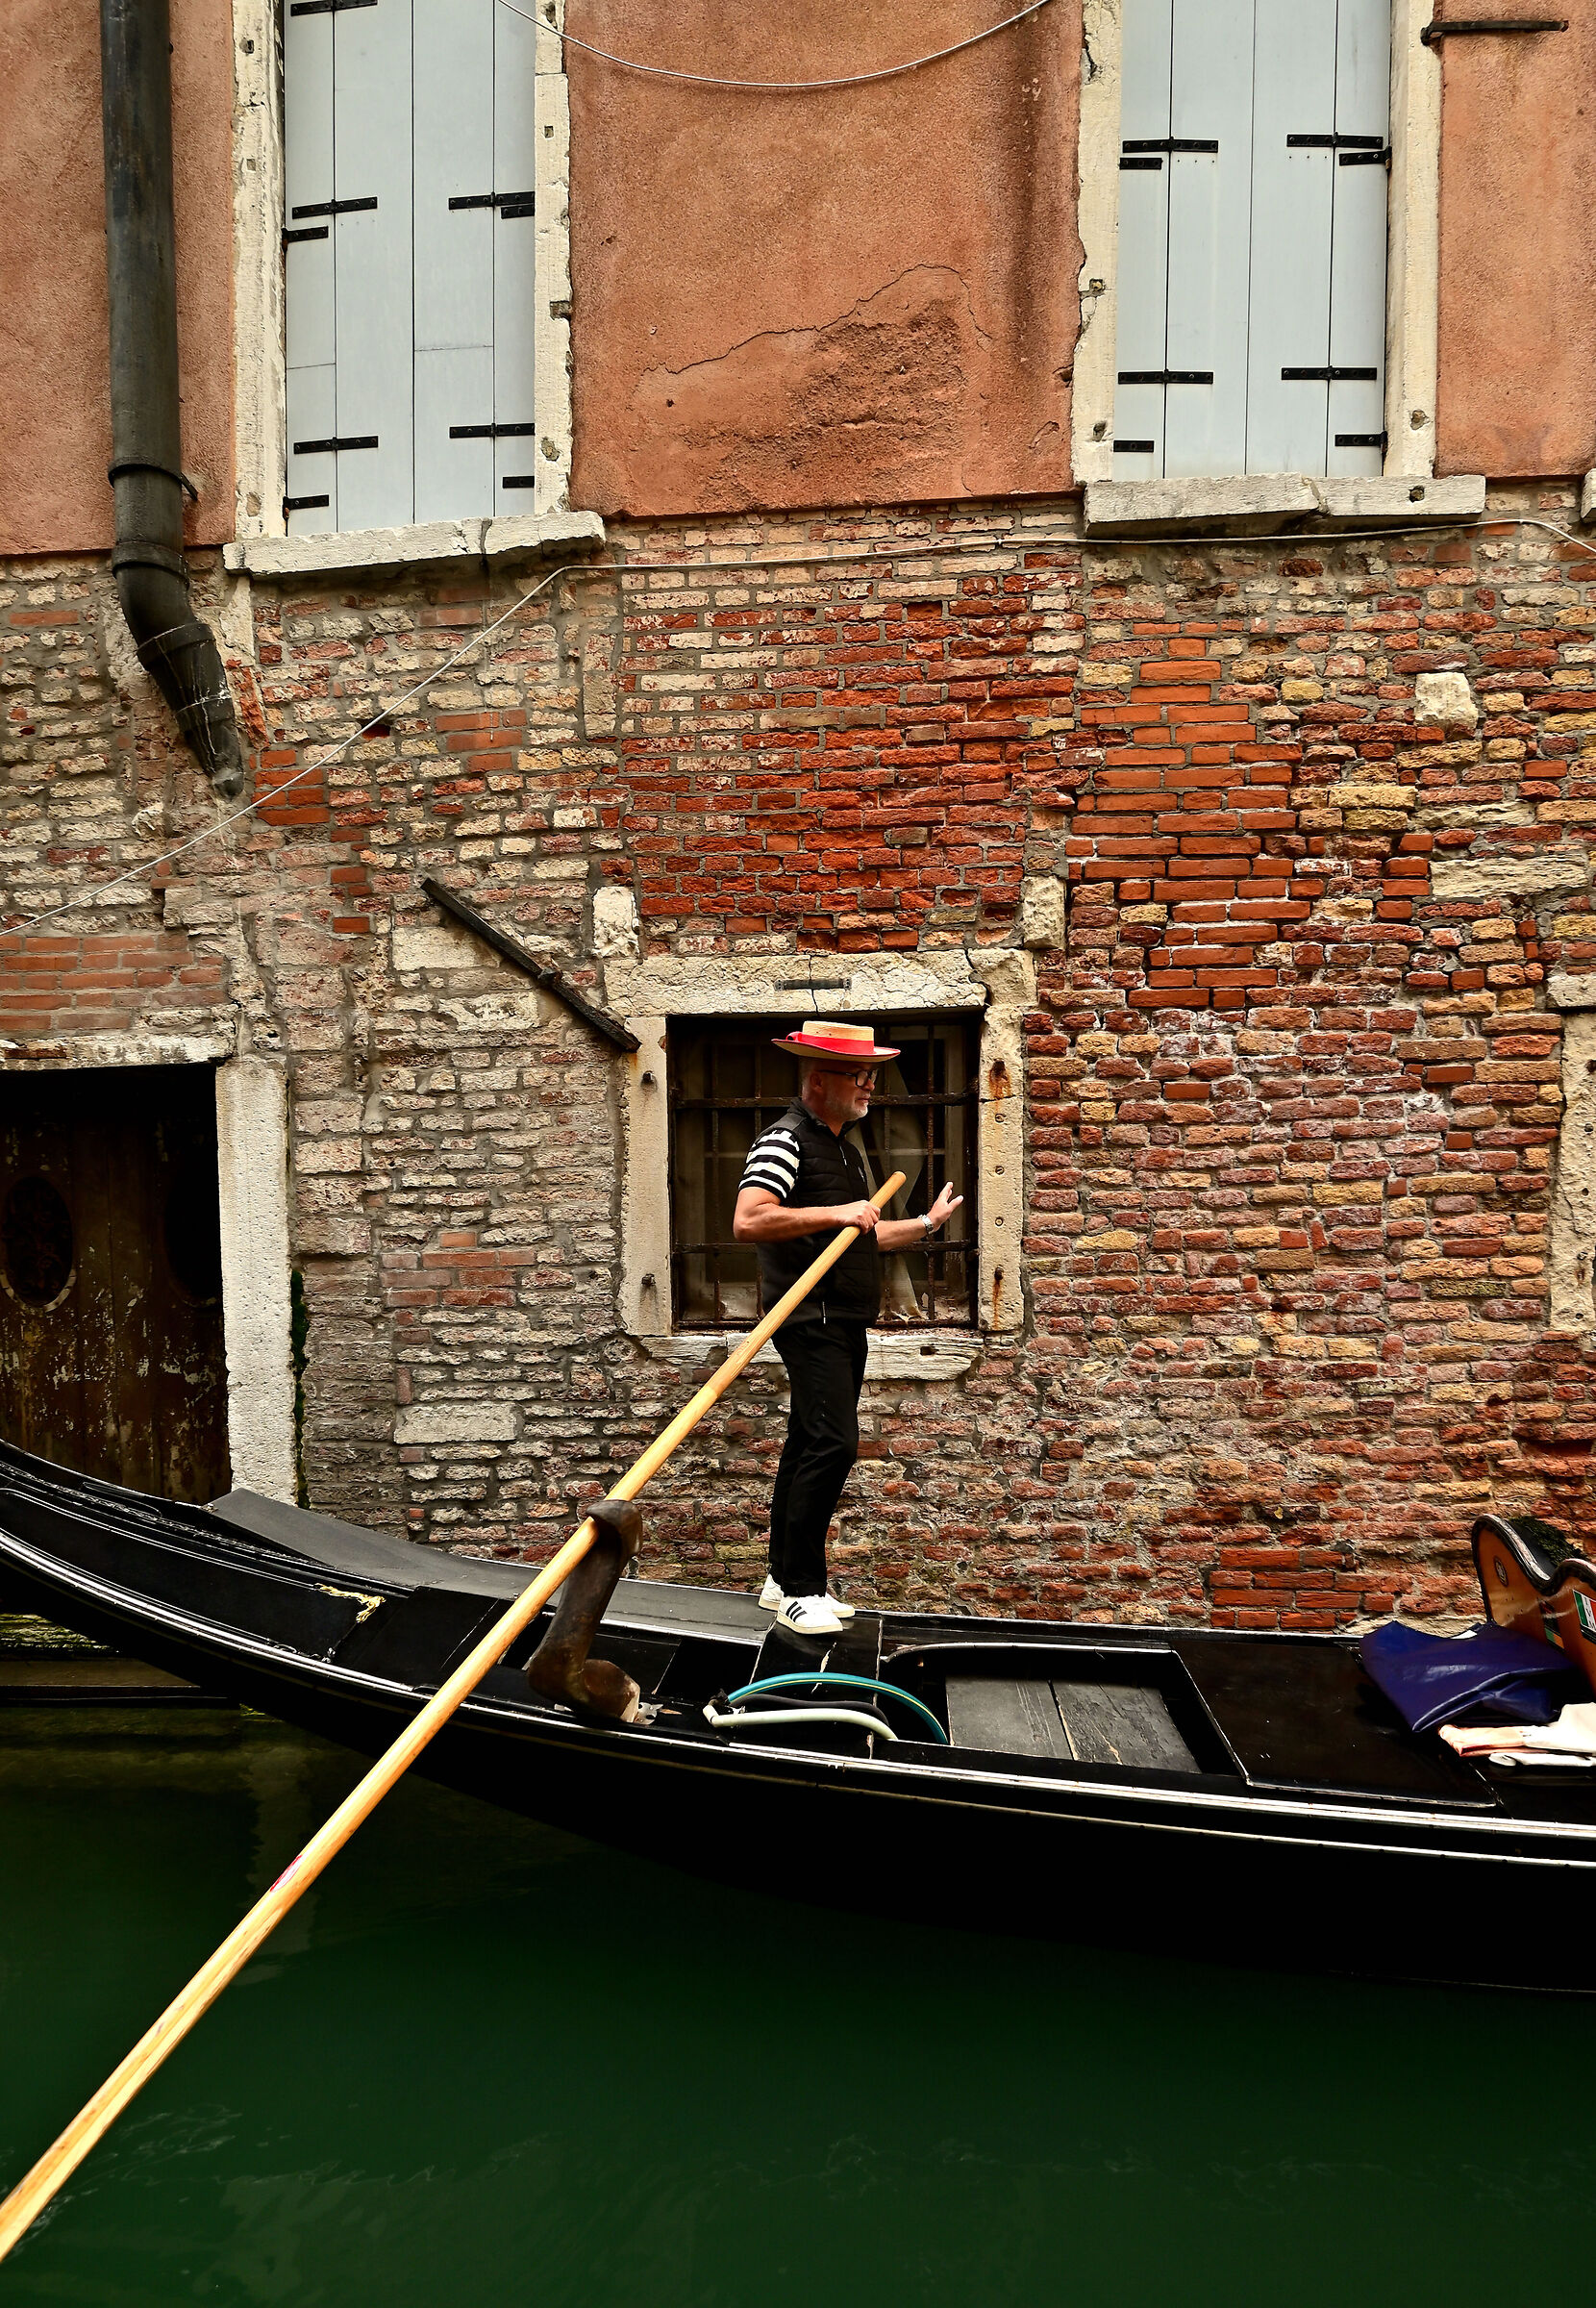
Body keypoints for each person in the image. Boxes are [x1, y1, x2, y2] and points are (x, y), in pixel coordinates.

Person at [732, 1019, 963, 1638]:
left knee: (808, 1442)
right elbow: (750, 1220)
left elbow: (860, 1237)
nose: (869, 1086)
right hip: (810, 1318)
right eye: (857, 1075)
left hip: (842, 1319)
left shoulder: (843, 1149)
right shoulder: (784, 1141)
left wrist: (925, 1225)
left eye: (872, 1076)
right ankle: (802, 1590)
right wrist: (840, 1211)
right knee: (832, 1445)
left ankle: (781, 1579)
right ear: (817, 1079)